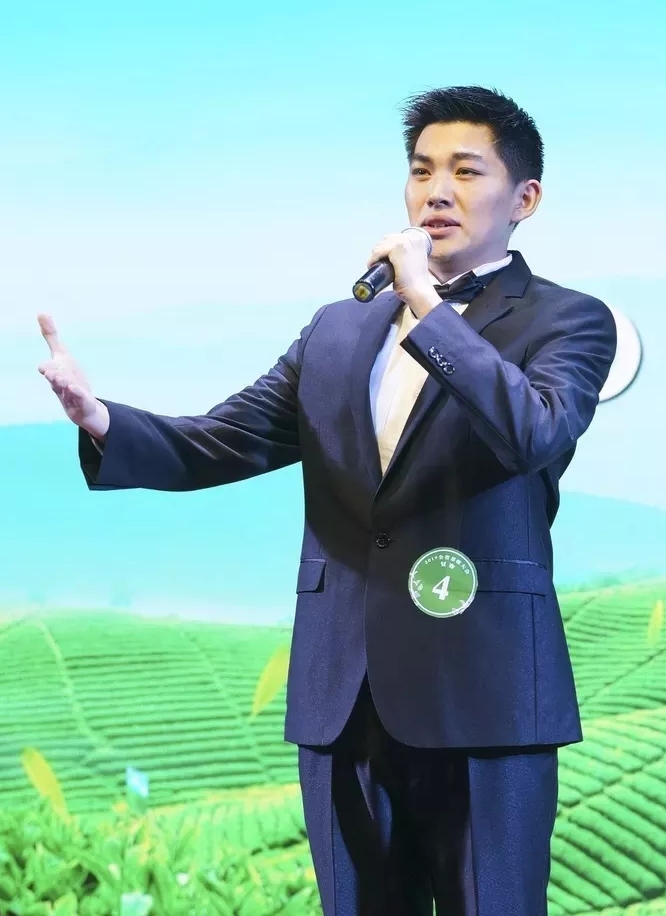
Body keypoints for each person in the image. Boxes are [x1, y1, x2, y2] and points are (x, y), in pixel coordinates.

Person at [38, 85, 616, 915]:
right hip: (344, 692)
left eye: (465, 172)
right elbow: (225, 439)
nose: (436, 192)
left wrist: (426, 306)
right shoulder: (338, 328)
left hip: (484, 694)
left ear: (524, 199)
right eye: (421, 171)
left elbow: (532, 430)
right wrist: (99, 419)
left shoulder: (569, 321)